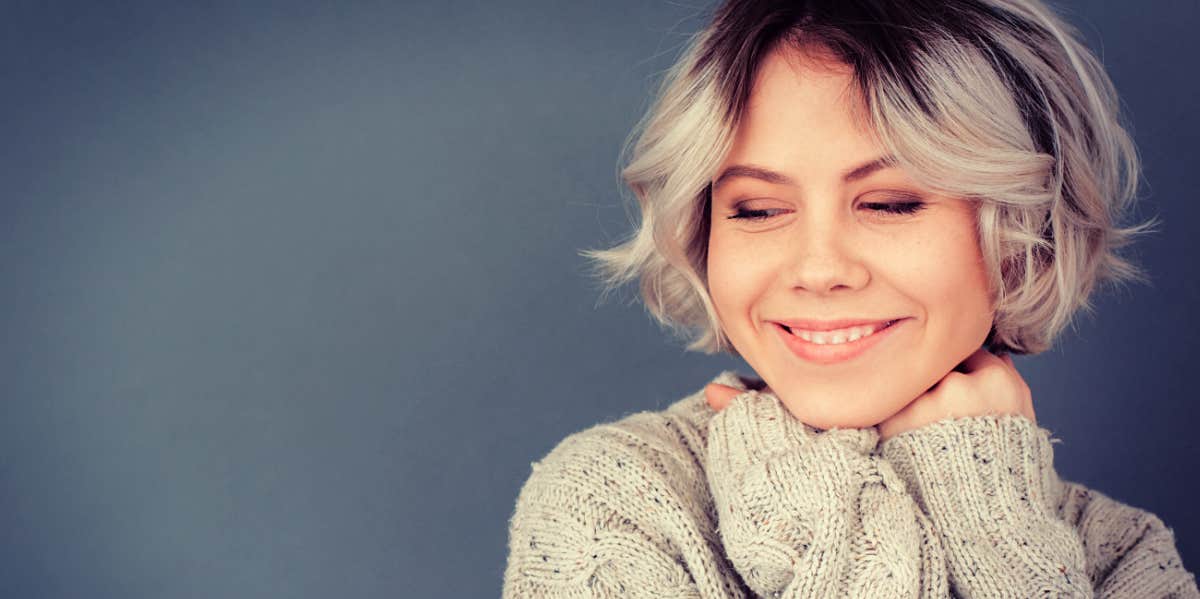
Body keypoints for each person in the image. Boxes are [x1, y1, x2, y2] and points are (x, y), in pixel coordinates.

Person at [502, 0, 1199, 596]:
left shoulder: (1120, 554)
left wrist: (993, 527)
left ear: (1021, 232)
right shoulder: (615, 499)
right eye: (757, 209)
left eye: (889, 203)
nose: (818, 268)